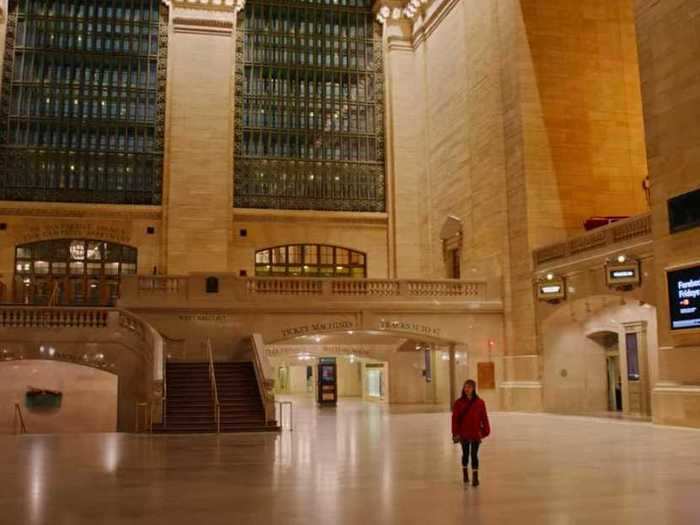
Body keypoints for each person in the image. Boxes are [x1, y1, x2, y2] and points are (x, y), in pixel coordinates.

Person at [451, 379, 491, 486]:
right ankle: (465, 474)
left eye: (469, 387)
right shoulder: (458, 403)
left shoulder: (480, 403)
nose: (467, 389)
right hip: (464, 434)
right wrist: (455, 433)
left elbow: (484, 418)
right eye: (465, 387)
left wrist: (485, 431)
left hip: (475, 434)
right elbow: (454, 420)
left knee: (474, 455)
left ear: (473, 389)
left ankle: (475, 477)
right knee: (465, 454)